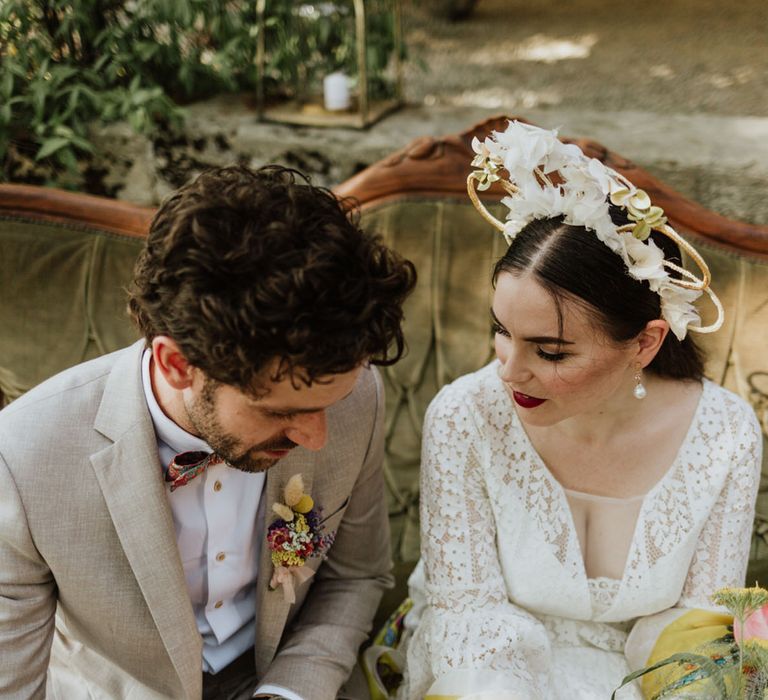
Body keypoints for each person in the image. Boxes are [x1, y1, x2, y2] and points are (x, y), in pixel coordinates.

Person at [0, 165, 416, 700]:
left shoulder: (357, 396)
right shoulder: (24, 456)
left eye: (326, 405)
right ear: (177, 364)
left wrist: (290, 691)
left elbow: (357, 578)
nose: (317, 436)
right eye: (277, 411)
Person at [397, 122, 763, 699]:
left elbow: (700, 629)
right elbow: (467, 616)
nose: (511, 370)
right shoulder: (464, 415)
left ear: (645, 342)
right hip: (488, 677)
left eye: (550, 351)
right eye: (502, 331)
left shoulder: (725, 434)